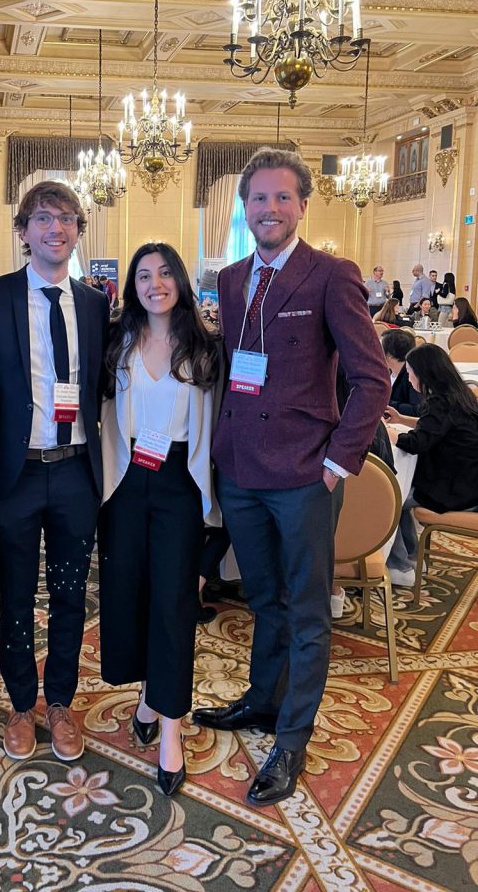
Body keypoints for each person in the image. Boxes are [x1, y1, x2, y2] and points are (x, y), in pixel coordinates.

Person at [192, 147, 390, 807]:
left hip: (306, 475)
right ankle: (261, 699)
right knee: (264, 597)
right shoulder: (231, 277)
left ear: (303, 205)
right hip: (241, 471)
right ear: (244, 209)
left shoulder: (332, 275)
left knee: (307, 611)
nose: (269, 209)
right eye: (258, 199)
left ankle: (293, 736)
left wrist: (338, 462)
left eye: (282, 198)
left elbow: (371, 379)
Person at [0, 181, 109, 763]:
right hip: (15, 475)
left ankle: (61, 701)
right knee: (17, 594)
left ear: (79, 230)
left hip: (76, 473)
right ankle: (22, 704)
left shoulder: (97, 304)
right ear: (23, 231)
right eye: (44, 219)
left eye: (68, 219)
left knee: (73, 595)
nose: (57, 229)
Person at [98, 242, 221, 797]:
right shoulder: (118, 341)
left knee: (174, 604)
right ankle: (148, 693)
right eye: (143, 275)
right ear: (132, 286)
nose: (155, 283)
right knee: (130, 595)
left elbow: (215, 433)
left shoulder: (203, 347)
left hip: (177, 482)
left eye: (166, 272)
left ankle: (169, 729)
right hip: (125, 480)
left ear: (181, 281)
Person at [384, 344, 478, 587]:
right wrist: (402, 419)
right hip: (468, 480)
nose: (409, 377)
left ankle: (400, 565)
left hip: (454, 488)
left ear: (424, 374)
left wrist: (392, 435)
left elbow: (418, 443)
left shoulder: (439, 402)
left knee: (391, 499)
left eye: (411, 372)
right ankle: (413, 558)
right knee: (401, 493)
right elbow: (437, 428)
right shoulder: (459, 395)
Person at [381, 328, 421, 416]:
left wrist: (384, 402)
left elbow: (417, 410)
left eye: (380, 348)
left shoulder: (412, 375)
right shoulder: (387, 372)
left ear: (390, 354)